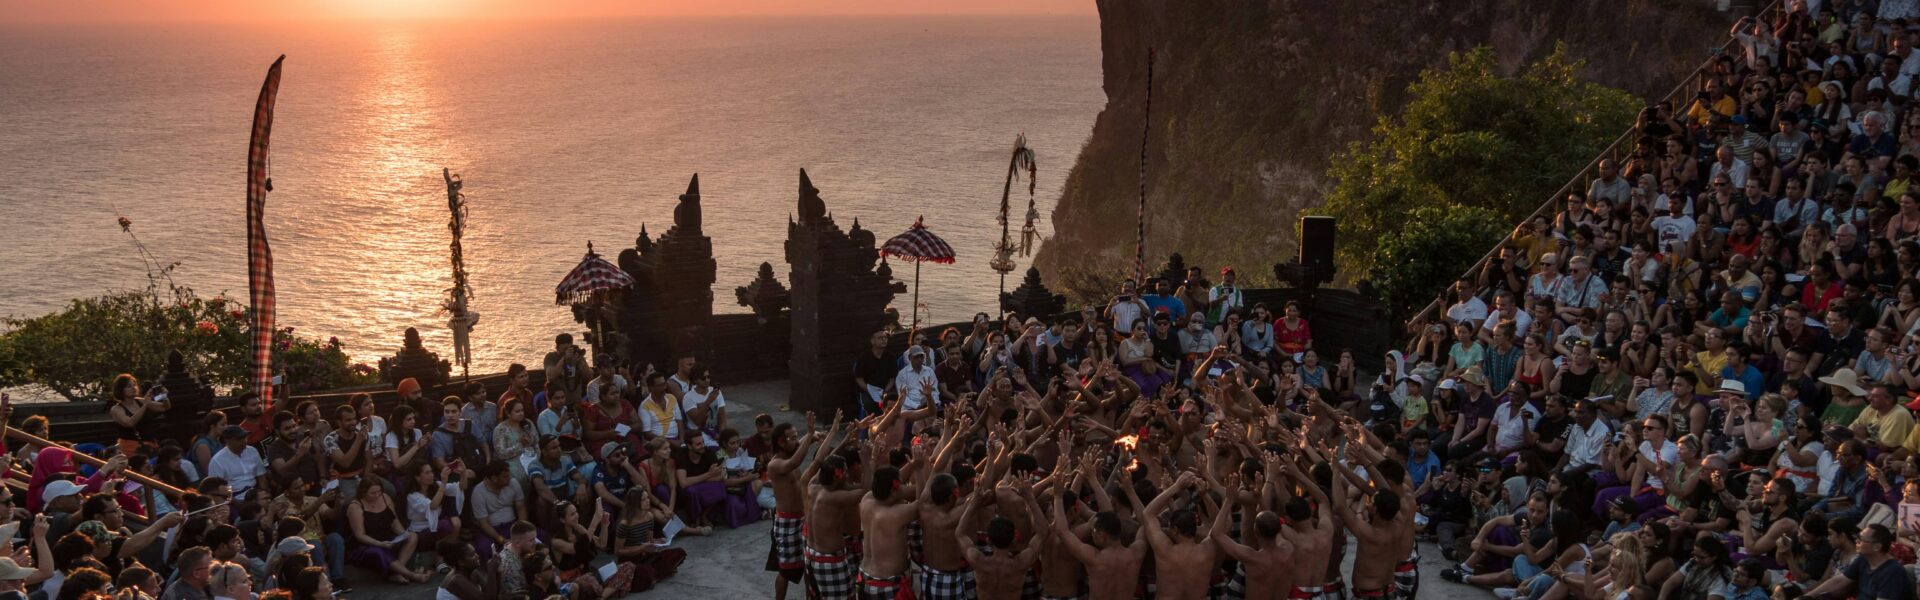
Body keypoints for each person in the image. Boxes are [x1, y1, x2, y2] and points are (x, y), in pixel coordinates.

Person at [343, 475, 428, 583]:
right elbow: (360, 535)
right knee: (378, 552)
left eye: (379, 491)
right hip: (367, 545)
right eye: (373, 493)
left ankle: (397, 572)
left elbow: (394, 521)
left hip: (388, 539)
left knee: (413, 536)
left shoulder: (385, 497)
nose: (377, 495)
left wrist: (403, 534)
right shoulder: (355, 506)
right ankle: (412, 575)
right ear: (363, 492)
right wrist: (380, 543)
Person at [1803, 523, 1914, 600]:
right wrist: (1808, 597)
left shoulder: (1892, 572)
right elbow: (1840, 580)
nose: (1857, 541)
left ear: (1877, 547)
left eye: (1861, 540)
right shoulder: (1863, 559)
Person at [205, 427, 264, 499]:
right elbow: (216, 488)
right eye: (239, 439)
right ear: (227, 441)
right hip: (235, 497)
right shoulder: (217, 461)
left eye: (245, 437)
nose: (244, 441)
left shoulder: (252, 451)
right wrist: (235, 502)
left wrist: (264, 493)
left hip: (255, 493)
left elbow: (261, 475)